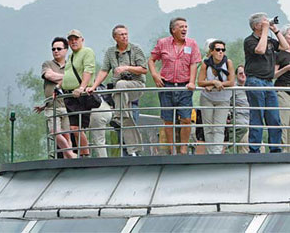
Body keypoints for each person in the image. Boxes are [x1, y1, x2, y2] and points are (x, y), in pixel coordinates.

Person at [88, 24, 147, 156]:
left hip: (136, 85)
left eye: (126, 34)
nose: (125, 36)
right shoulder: (110, 52)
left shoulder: (136, 49)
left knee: (120, 85)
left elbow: (144, 69)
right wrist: (93, 86)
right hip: (120, 92)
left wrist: (126, 68)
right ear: (115, 37)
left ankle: (117, 115)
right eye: (121, 34)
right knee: (126, 116)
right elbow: (104, 70)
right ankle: (134, 149)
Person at [148, 17, 201, 155]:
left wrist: (192, 81)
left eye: (186, 27)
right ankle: (172, 148)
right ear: (173, 30)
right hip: (167, 86)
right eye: (181, 27)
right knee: (168, 119)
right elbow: (151, 60)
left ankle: (183, 147)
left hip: (184, 87)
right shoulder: (162, 43)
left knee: (186, 118)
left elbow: (194, 64)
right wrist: (155, 75)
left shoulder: (192, 44)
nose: (184, 29)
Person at [243, 12, 290, 153]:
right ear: (256, 25)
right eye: (264, 22)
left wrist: (275, 30)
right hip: (255, 81)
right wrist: (264, 31)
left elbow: (285, 46)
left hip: (269, 83)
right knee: (257, 116)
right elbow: (260, 49)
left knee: (274, 117)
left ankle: (275, 148)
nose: (267, 23)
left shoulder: (269, 39)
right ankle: (255, 150)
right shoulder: (249, 40)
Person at [35, 37, 76, 159]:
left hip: (67, 105)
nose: (56, 51)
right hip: (52, 106)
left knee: (67, 134)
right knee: (55, 132)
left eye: (59, 48)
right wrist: (67, 78)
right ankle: (70, 154)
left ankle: (67, 158)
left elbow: (77, 79)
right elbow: (48, 75)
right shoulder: (47, 64)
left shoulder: (71, 64)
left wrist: (65, 77)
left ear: (66, 50)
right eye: (53, 49)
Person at [59, 29, 96, 157]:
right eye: (71, 39)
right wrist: (59, 87)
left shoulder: (87, 52)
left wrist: (82, 87)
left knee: (77, 127)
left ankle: (85, 154)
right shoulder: (71, 56)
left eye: (76, 39)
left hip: (81, 96)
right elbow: (67, 74)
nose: (73, 41)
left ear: (82, 40)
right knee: (74, 128)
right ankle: (83, 153)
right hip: (70, 96)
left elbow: (88, 69)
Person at [197, 40, 235, 154]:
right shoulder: (206, 63)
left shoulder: (228, 63)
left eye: (223, 50)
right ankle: (210, 152)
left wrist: (219, 84)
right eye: (218, 50)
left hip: (223, 99)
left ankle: (217, 152)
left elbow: (231, 81)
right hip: (207, 98)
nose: (220, 52)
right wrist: (213, 82)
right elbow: (200, 82)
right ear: (212, 51)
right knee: (208, 127)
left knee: (219, 127)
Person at [229, 65, 251, 153]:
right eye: (240, 73)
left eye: (245, 73)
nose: (243, 75)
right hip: (240, 125)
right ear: (236, 76)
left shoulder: (252, 87)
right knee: (246, 144)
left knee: (260, 147)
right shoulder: (233, 89)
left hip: (252, 125)